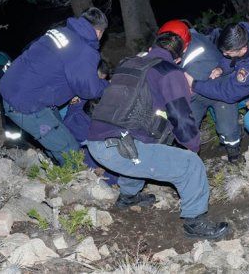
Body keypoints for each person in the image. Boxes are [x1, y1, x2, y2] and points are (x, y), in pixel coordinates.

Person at [87, 31, 230, 240]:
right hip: (118, 147)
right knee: (190, 165)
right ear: (179, 57)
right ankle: (195, 222)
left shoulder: (129, 62)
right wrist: (193, 146)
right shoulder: (170, 72)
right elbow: (181, 117)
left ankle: (128, 197)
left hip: (98, 139)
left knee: (143, 147)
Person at [0, 7, 109, 164]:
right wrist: (108, 86)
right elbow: (89, 90)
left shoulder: (59, 32)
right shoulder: (85, 50)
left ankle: (55, 169)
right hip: (25, 104)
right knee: (69, 149)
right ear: (99, 32)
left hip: (13, 88)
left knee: (60, 134)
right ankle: (75, 184)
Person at [187, 22, 249, 165]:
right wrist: (222, 68)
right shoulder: (243, 30)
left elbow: (228, 93)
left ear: (243, 49)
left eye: (228, 53)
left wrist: (194, 84)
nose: (224, 55)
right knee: (220, 102)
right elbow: (231, 59)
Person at [160, 20, 243, 162]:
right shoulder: (183, 43)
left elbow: (187, 88)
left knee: (227, 127)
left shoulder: (200, 52)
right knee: (188, 126)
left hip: (218, 90)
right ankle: (188, 157)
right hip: (195, 92)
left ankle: (234, 154)